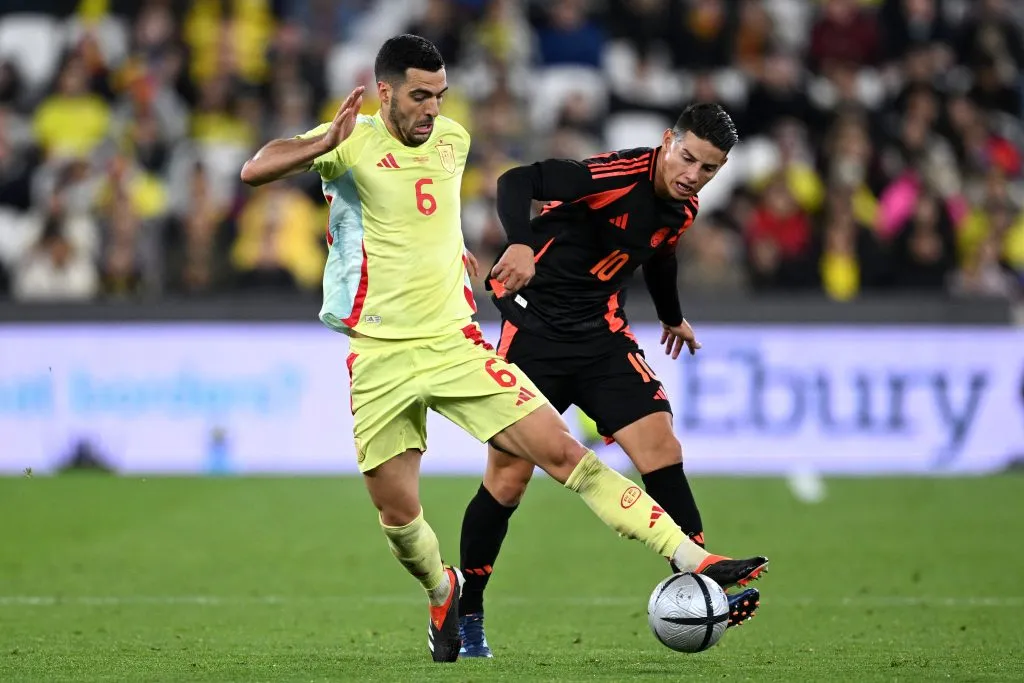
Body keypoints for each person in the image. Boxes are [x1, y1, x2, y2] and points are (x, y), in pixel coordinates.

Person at [240, 35, 767, 664]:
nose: (432, 109)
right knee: (404, 515)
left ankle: (696, 561)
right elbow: (255, 168)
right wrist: (322, 144)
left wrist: (457, 258)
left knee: (573, 453)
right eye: (419, 95)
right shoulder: (348, 137)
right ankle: (447, 593)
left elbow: (433, 215)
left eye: (439, 95)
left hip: (461, 341)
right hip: (388, 349)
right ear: (385, 91)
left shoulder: (454, 141)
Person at [457, 103, 762, 658]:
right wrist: (520, 243)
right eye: (687, 157)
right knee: (507, 480)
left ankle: (703, 585)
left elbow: (659, 256)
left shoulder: (683, 209)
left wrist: (671, 315)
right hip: (535, 333)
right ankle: (467, 610)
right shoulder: (613, 175)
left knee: (661, 445)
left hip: (601, 338)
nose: (692, 174)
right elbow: (514, 180)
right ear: (667, 141)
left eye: (708, 169)